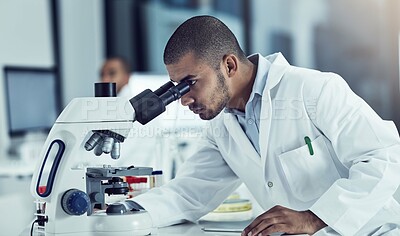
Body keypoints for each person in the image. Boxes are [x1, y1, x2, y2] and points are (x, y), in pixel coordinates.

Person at [126, 15, 400, 235]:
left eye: (191, 83)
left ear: (229, 66)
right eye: (177, 87)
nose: (184, 100)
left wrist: (314, 218)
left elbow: (384, 157)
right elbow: (189, 193)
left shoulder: (313, 90)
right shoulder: (221, 127)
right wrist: (127, 212)